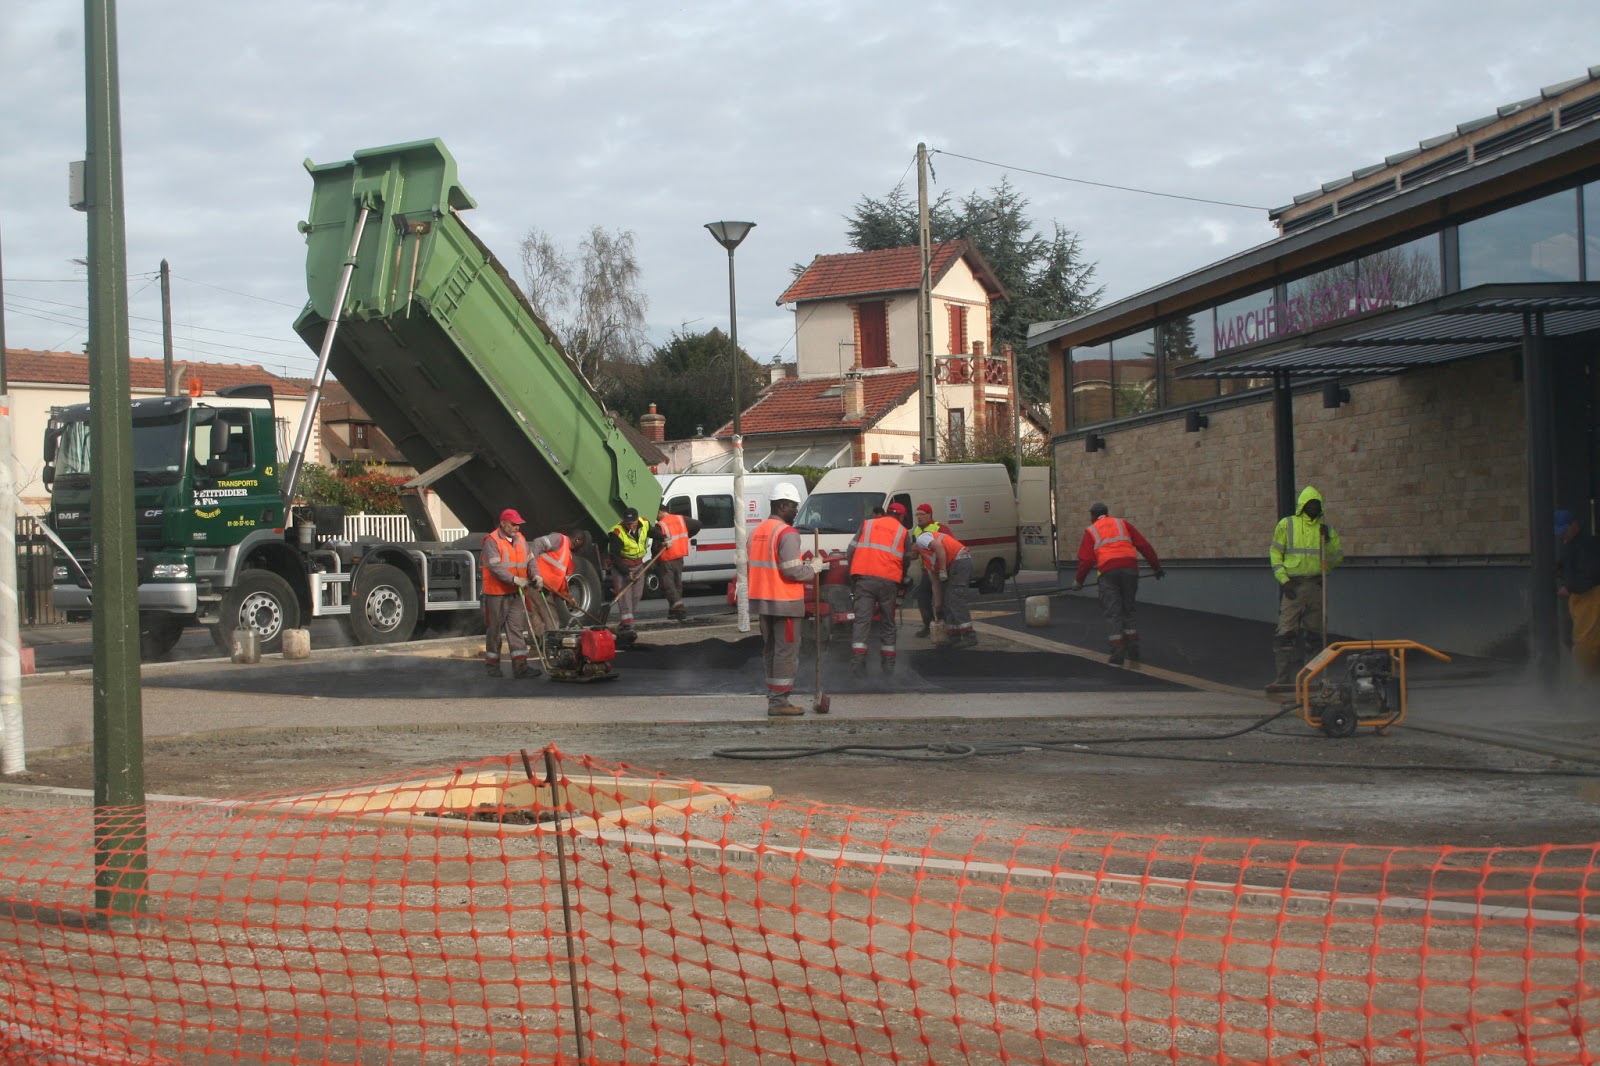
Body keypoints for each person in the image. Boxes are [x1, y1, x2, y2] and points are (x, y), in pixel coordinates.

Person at [750, 482, 827, 716]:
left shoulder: (757, 532)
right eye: (794, 507)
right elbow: (791, 570)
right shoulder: (787, 533)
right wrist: (813, 568)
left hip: (764, 601)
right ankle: (779, 702)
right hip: (785, 602)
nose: (796, 512)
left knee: (771, 651)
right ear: (783, 505)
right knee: (786, 653)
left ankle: (775, 697)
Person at [1267, 485, 1344, 693]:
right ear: (1302, 506)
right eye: (1309, 504)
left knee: (1315, 634)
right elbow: (1275, 553)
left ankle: (1312, 677)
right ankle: (1282, 679)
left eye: (1316, 505)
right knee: (1285, 632)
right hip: (1295, 585)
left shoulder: (1325, 529)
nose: (1312, 507)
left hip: (1317, 585)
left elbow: (1336, 559)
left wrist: (1326, 542)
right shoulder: (1287, 525)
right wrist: (1284, 581)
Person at [1071, 502, 1165, 665]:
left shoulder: (1092, 530)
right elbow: (1144, 545)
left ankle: (1118, 652)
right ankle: (1133, 649)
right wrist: (1156, 568)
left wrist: (1079, 581)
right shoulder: (1122, 524)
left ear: (1093, 515)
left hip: (1108, 573)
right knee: (1128, 609)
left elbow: (1086, 560)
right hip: (1130, 570)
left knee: (1113, 612)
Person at [846, 501, 915, 676]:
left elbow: (850, 550)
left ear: (886, 513)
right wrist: (901, 576)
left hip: (864, 579)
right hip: (889, 581)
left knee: (862, 621)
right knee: (888, 623)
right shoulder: (903, 532)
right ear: (901, 517)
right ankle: (888, 665)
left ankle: (857, 664)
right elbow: (906, 560)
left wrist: (852, 572)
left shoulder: (868, 524)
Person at [481, 507, 542, 679]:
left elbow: (530, 559)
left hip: (516, 591)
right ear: (503, 523)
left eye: (519, 525)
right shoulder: (491, 541)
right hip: (497, 593)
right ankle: (492, 667)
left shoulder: (520, 539)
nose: (517, 528)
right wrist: (515, 579)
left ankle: (520, 667)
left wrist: (536, 574)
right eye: (514, 524)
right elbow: (495, 567)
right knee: (494, 629)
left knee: (515, 628)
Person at [915, 519, 976, 648]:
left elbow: (939, 547)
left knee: (956, 598)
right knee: (947, 601)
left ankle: (969, 635)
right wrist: (938, 605)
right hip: (955, 563)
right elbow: (935, 583)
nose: (910, 557)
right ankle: (954, 635)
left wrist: (942, 569)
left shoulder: (922, 539)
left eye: (908, 554)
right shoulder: (926, 560)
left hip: (959, 561)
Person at [1556, 508, 1600, 680]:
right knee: (1589, 639)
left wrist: (1570, 586)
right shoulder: (1573, 544)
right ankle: (1590, 680)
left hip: (1589, 596)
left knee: (1584, 641)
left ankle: (1583, 681)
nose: (1563, 534)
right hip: (1582, 596)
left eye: (1565, 530)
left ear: (1574, 525)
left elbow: (1590, 573)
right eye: (1560, 531)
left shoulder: (1583, 545)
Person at [525, 527, 592, 633]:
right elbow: (537, 543)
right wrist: (535, 573)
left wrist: (568, 598)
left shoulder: (568, 557)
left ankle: (544, 646)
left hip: (546, 591)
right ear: (577, 540)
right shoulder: (559, 539)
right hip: (537, 585)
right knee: (546, 621)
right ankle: (543, 645)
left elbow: (561, 581)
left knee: (545, 622)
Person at [607, 507, 651, 639]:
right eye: (627, 523)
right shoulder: (616, 533)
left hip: (638, 565)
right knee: (625, 596)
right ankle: (629, 627)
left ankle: (624, 624)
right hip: (622, 567)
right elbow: (614, 557)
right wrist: (627, 572)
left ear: (637, 520)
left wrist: (665, 539)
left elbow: (654, 532)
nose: (630, 526)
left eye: (632, 523)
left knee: (637, 595)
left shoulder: (644, 524)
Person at [653, 504, 702, 622]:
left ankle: (679, 609)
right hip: (679, 555)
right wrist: (687, 536)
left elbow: (655, 546)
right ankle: (673, 611)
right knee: (676, 583)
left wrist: (655, 558)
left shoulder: (660, 525)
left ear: (660, 512)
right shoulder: (681, 519)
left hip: (666, 558)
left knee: (668, 585)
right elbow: (698, 524)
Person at [910, 503, 942, 637]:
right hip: (925, 570)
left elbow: (945, 544)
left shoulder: (938, 527)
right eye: (917, 514)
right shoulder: (916, 530)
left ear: (930, 515)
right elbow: (914, 550)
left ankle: (943, 624)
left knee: (941, 598)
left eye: (922, 514)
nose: (919, 517)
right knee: (922, 596)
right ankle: (928, 625)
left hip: (938, 569)